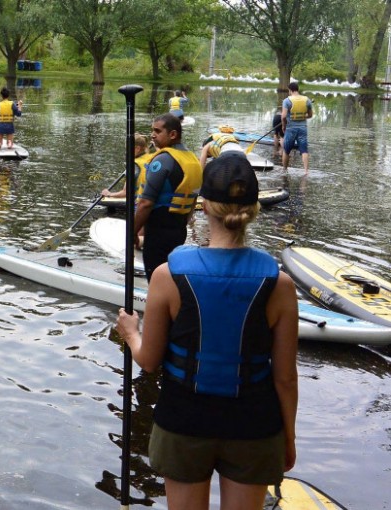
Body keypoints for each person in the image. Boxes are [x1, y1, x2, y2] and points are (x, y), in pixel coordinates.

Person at [115, 154, 298, 510]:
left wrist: (131, 331)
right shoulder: (281, 284)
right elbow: (285, 378)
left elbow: (148, 360)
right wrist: (288, 437)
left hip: (183, 421)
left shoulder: (167, 276)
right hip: (255, 426)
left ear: (202, 207)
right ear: (253, 209)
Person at [133, 113, 202, 281]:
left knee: (156, 279)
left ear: (172, 134)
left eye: (157, 131)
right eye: (152, 131)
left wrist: (132, 233)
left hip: (158, 234)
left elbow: (145, 203)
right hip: (179, 231)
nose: (153, 135)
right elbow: (192, 202)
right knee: (172, 278)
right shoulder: (193, 160)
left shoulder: (163, 160)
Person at [102, 133, 154, 198]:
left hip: (140, 203)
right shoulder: (152, 157)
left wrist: (109, 194)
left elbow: (126, 193)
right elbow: (145, 150)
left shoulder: (133, 165)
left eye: (128, 149)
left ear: (137, 148)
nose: (126, 152)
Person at [281, 82, 313, 173]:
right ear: (297, 89)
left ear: (290, 90)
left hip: (290, 128)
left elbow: (283, 116)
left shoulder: (287, 101)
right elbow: (310, 115)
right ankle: (306, 171)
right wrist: (302, 116)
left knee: (286, 150)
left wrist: (283, 126)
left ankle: (284, 170)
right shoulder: (307, 100)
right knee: (304, 150)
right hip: (303, 128)